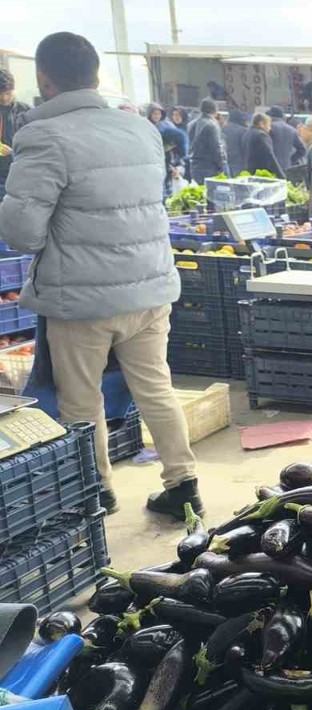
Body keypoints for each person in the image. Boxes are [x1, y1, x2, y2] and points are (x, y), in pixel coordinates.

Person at [0, 32, 200, 518]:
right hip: (149, 288)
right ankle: (184, 485)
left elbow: (22, 233)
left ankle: (97, 492)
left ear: (44, 80)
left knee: (81, 401)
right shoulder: (140, 129)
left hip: (81, 300)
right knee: (155, 387)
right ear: (95, 75)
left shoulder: (45, 137)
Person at [0, 69, 31, 202]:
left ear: (14, 89)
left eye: (7, 93)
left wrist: (14, 152)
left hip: (22, 173)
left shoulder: (26, 111)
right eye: (0, 94)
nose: (4, 98)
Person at [186, 98, 227, 184]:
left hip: (194, 166)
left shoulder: (191, 124)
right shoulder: (211, 125)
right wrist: (222, 166)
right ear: (215, 110)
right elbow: (217, 148)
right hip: (209, 167)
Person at [244, 112, 283, 179]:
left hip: (250, 172)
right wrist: (281, 176)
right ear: (261, 123)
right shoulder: (262, 135)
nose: (270, 128)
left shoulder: (247, 134)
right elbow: (270, 156)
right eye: (269, 125)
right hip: (262, 174)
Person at [267, 106, 307, 170]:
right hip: (287, 167)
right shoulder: (292, 130)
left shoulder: (268, 128)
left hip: (270, 167)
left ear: (270, 116)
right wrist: (291, 160)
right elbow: (302, 150)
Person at [222, 109, 250, 176]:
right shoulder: (243, 130)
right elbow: (246, 148)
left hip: (225, 161)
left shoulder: (223, 128)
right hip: (239, 163)